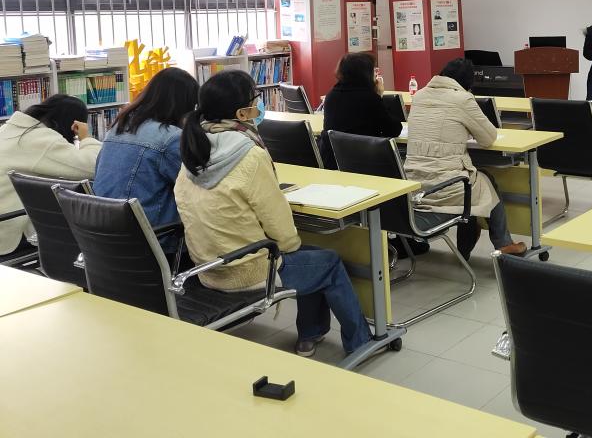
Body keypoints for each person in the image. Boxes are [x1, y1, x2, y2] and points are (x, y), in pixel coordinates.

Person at [175, 70, 370, 358]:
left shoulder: (194, 149)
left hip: (207, 268)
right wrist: (290, 246)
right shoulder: (249, 154)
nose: (259, 104)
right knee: (326, 261)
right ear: (242, 113)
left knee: (311, 258)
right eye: (255, 99)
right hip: (247, 272)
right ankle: (361, 342)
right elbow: (279, 224)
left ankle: (310, 335)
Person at [403, 58, 526, 261]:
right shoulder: (463, 99)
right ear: (468, 83)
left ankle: (468, 242)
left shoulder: (420, 95)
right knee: (485, 180)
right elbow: (488, 138)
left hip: (414, 186)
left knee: (475, 179)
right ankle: (503, 243)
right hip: (444, 188)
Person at [92, 68, 198, 251]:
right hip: (154, 243)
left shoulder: (117, 128)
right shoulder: (170, 138)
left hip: (105, 240)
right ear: (185, 105)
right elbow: (197, 184)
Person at [0, 94, 99, 257]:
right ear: (71, 124)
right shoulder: (40, 139)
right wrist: (86, 138)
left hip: (4, 219)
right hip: (8, 231)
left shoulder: (7, 129)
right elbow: (94, 166)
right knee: (85, 227)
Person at [319, 52, 402, 170]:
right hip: (364, 163)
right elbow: (394, 130)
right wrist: (379, 96)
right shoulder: (370, 98)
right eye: (373, 70)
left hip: (332, 162)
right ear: (365, 73)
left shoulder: (331, 95)